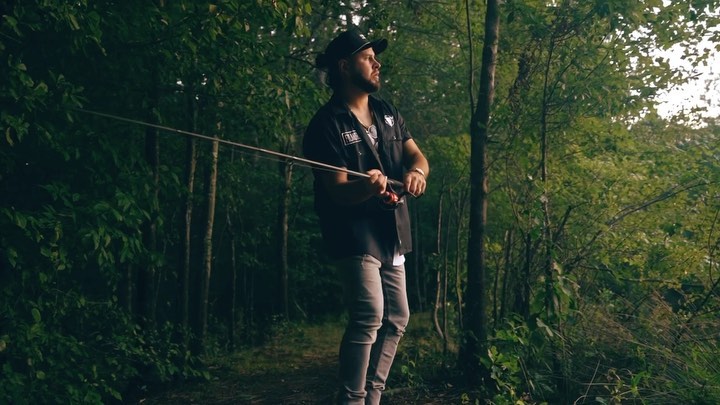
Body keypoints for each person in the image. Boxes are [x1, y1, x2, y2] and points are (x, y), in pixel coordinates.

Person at [303, 27, 429, 405]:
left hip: (392, 230)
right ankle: (352, 399)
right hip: (354, 234)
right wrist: (367, 188)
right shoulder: (326, 124)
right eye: (367, 57)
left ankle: (371, 397)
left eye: (376, 57)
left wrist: (416, 173)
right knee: (369, 315)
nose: (377, 63)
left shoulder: (387, 112)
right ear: (344, 66)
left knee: (398, 318)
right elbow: (337, 191)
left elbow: (417, 157)